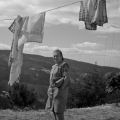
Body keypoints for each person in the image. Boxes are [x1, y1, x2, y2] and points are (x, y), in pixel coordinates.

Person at [45, 49, 70, 120]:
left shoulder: (64, 65)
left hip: (59, 92)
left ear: (61, 56)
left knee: (59, 111)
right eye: (54, 56)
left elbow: (66, 78)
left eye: (57, 56)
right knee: (53, 110)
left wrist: (60, 90)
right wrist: (49, 88)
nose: (55, 58)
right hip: (52, 91)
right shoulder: (54, 66)